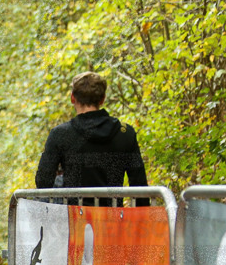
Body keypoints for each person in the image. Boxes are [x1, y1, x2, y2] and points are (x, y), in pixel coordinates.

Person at [34, 71, 148, 200]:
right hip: (113, 211)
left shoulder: (60, 134)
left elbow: (43, 181)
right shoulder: (125, 133)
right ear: (102, 99)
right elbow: (140, 187)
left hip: (73, 212)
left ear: (72, 98)